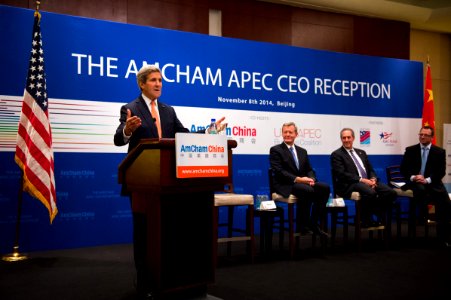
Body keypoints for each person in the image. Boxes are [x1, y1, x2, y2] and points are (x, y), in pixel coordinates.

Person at [114, 64, 225, 299]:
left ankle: (174, 281)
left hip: (170, 184)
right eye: (153, 80)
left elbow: (183, 137)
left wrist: (209, 132)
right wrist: (126, 130)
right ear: (142, 83)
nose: (158, 84)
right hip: (144, 183)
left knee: (169, 233)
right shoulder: (130, 108)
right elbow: (118, 140)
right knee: (144, 234)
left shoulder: (168, 110)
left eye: (160, 80)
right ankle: (145, 283)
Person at [269, 122, 330, 236]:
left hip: (302, 183)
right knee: (307, 190)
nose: (287, 134)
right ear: (282, 134)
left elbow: (309, 169)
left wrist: (311, 178)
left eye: (290, 132)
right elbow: (279, 171)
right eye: (285, 132)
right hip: (285, 184)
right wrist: (298, 179)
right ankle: (302, 225)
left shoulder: (302, 151)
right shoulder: (276, 150)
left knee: (324, 188)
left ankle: (313, 222)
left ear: (296, 134)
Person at [331, 128, 396, 228]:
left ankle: (371, 214)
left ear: (353, 138)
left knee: (391, 192)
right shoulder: (336, 154)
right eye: (344, 138)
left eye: (349, 137)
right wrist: (362, 180)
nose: (346, 140)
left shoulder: (361, 152)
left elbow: (370, 169)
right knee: (371, 193)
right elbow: (341, 174)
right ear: (341, 139)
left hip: (367, 182)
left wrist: (373, 178)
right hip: (349, 184)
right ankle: (366, 218)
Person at [400, 126, 451, 247]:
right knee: (420, 191)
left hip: (432, 183)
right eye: (421, 134)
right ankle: (421, 217)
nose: (422, 137)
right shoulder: (411, 150)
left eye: (426, 135)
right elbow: (404, 169)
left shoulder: (439, 152)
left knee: (446, 204)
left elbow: (441, 172)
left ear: (432, 138)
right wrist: (414, 177)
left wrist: (427, 180)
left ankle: (443, 237)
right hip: (416, 182)